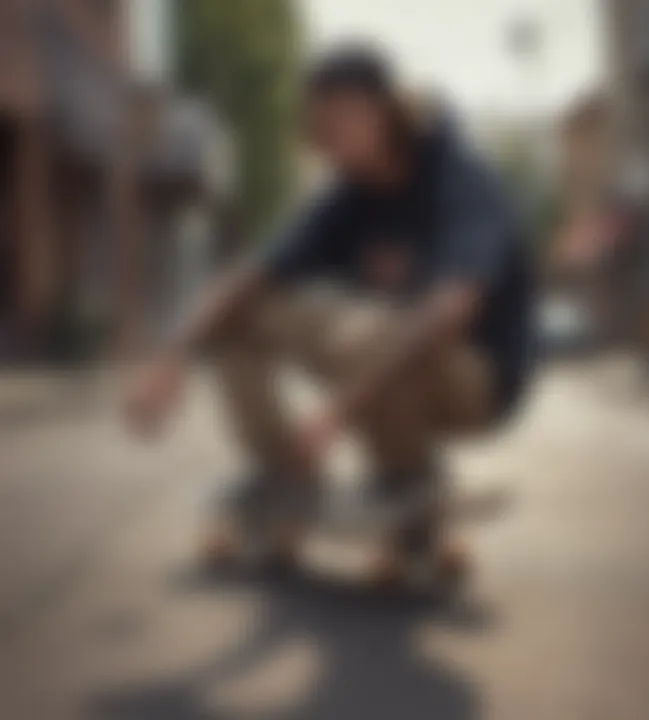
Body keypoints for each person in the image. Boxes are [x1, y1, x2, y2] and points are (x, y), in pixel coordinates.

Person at [125, 45, 535, 579]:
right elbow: (248, 278)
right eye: (320, 124)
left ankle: (410, 497)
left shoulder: (459, 177)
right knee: (239, 312)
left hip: (477, 376)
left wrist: (339, 411)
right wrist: (174, 354)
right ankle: (285, 480)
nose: (327, 137)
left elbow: (450, 312)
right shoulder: (345, 196)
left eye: (341, 120)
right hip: (380, 354)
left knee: (367, 336)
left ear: (387, 113)